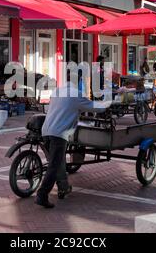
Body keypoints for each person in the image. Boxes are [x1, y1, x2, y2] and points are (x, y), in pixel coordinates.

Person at [36, 73, 110, 209]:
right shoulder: (76, 94)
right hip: (59, 133)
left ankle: (63, 187)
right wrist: (107, 103)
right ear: (79, 80)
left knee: (57, 162)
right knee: (54, 165)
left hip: (46, 130)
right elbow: (96, 107)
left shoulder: (58, 91)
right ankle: (42, 194)